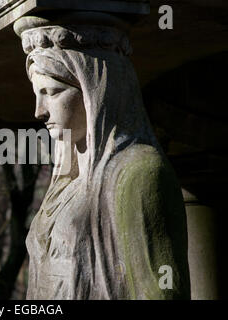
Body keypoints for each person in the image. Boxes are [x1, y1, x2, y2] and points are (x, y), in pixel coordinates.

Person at [22, 25, 191, 299]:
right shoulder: (64, 181)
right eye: (37, 94)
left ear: (95, 93)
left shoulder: (138, 173)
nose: (39, 112)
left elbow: (159, 292)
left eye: (52, 92)